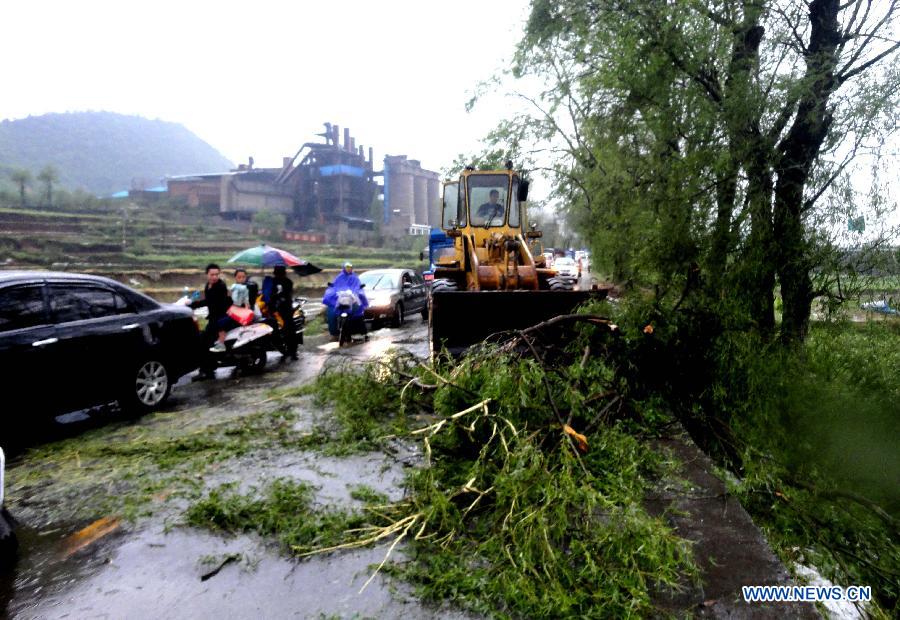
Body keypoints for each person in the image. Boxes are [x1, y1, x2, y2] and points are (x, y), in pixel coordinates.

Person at [191, 263, 232, 378]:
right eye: (212, 274)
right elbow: (208, 301)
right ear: (207, 275)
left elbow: (209, 302)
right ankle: (210, 366)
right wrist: (193, 304)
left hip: (219, 318)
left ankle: (206, 370)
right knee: (206, 341)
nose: (214, 277)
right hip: (213, 317)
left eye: (216, 274)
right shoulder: (208, 285)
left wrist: (193, 305)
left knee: (204, 342)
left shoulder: (220, 287)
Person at [322, 262, 366, 338]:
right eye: (347, 267)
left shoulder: (355, 277)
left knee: (359, 310)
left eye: (350, 268)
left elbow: (357, 287)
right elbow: (335, 286)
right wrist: (333, 289)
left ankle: (360, 331)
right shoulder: (339, 277)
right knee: (331, 311)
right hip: (342, 297)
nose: (348, 269)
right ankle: (334, 332)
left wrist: (357, 291)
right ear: (344, 268)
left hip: (352, 298)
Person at [271, 265, 298, 360]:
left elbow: (272, 296)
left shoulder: (273, 282)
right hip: (285, 310)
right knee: (289, 330)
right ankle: (292, 352)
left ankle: (290, 351)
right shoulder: (288, 282)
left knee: (285, 330)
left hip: (280, 310)